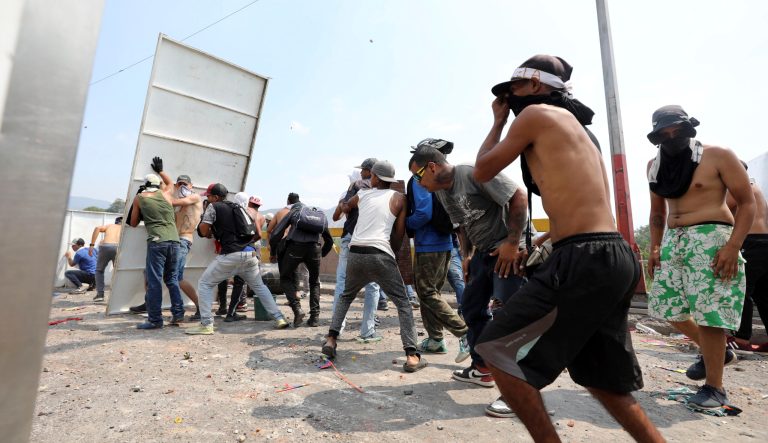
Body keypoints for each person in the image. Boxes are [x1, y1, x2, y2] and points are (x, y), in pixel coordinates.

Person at [470, 55, 663, 440]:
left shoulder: (535, 115)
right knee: (604, 382)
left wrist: (497, 121)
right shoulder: (576, 129)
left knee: (495, 349)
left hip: (584, 256)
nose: (509, 98)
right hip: (612, 255)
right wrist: (545, 240)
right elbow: (576, 202)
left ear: (537, 86)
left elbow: (482, 170)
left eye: (514, 89)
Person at [646, 105, 755, 410]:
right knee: (669, 309)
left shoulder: (718, 155)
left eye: (677, 131)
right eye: (664, 133)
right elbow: (657, 212)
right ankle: (714, 354)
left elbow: (747, 203)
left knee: (710, 315)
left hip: (711, 238)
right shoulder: (654, 165)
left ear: (689, 128)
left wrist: (733, 246)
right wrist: (655, 248)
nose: (671, 137)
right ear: (656, 136)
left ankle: (715, 388)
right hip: (673, 241)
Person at [409, 143, 527, 421]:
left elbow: (518, 196)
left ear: (433, 167)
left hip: (507, 250)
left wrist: (512, 243)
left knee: (510, 319)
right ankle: (483, 368)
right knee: (472, 308)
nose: (418, 184)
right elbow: (461, 225)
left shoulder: (473, 174)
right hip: (483, 253)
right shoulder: (441, 193)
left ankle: (518, 391)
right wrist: (467, 256)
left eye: (417, 176)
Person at [322, 161, 426, 372]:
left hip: (356, 253)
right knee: (403, 304)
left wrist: (345, 203)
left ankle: (331, 340)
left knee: (346, 296)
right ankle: (412, 355)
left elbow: (344, 208)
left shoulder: (363, 195)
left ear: (376, 178)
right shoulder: (400, 199)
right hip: (380, 253)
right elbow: (398, 232)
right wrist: (392, 254)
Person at [188, 183, 289, 334]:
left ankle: (206, 324)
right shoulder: (239, 208)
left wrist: (205, 218)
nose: (207, 199)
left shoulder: (213, 207)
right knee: (259, 287)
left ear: (215, 197)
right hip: (250, 253)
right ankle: (279, 318)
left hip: (231, 254)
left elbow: (203, 230)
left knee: (205, 283)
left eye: (208, 196)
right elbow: (255, 232)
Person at [406, 139, 469, 362]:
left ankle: (464, 332)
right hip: (445, 243)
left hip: (429, 243)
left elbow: (423, 212)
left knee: (427, 292)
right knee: (429, 292)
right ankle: (435, 339)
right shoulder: (444, 178)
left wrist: (406, 224)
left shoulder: (419, 178)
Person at [331, 159, 387, 342]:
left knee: (342, 283)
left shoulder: (356, 185)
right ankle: (367, 331)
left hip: (351, 238)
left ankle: (336, 329)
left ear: (367, 171)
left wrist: (344, 204)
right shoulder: (385, 189)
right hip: (374, 241)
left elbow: (342, 210)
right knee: (372, 286)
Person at [127, 157, 185, 330]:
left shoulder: (140, 198)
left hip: (157, 242)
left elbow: (133, 222)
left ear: (145, 185)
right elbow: (171, 183)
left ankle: (155, 320)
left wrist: (138, 203)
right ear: (158, 185)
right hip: (175, 240)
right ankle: (178, 313)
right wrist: (160, 170)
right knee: (172, 279)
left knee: (154, 282)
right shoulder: (166, 194)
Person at [270, 194, 334, 327]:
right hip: (314, 249)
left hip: (295, 248)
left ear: (291, 204)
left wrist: (273, 252)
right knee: (314, 282)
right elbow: (329, 240)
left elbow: (276, 233)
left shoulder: (294, 212)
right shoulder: (317, 215)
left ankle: (297, 309)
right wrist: (321, 254)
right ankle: (314, 318)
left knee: (286, 278)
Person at [728, 161, 768, 352]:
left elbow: (720, 208)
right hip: (764, 242)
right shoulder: (755, 186)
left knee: (740, 290)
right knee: (763, 294)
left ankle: (741, 339)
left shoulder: (739, 187)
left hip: (751, 242)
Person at [170, 174, 203, 320]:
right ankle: (148, 303)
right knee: (154, 274)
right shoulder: (177, 201)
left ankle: (200, 307)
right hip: (174, 240)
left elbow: (174, 202)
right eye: (180, 184)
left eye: (185, 184)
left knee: (176, 277)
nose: (182, 187)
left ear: (191, 185)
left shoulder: (194, 197)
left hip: (183, 239)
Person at [88, 216, 122, 301]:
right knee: (118, 271)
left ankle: (100, 295)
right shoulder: (126, 228)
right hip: (119, 247)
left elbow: (97, 228)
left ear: (116, 222)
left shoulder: (110, 226)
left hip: (106, 246)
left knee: (99, 270)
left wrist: (92, 245)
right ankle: (118, 296)